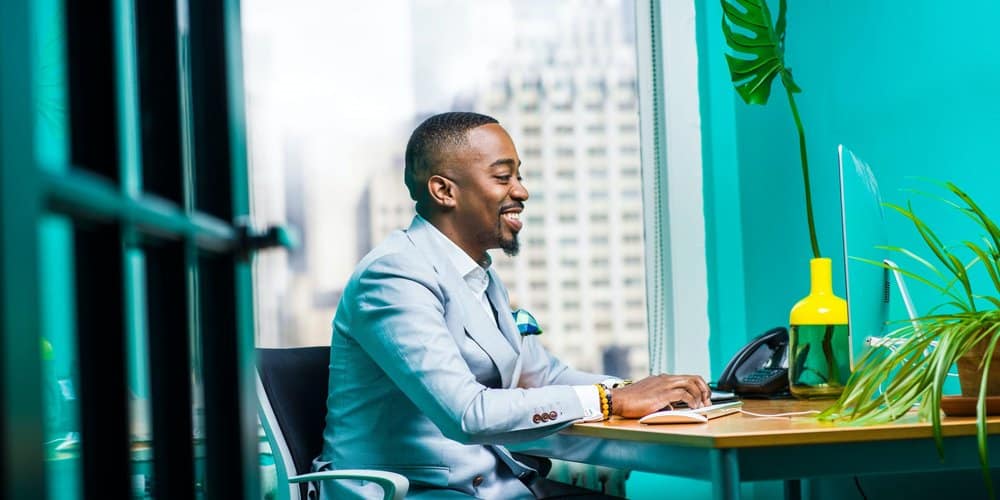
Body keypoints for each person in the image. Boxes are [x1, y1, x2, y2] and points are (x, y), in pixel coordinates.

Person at [312, 112, 711, 499]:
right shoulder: (394, 276)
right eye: (503, 177)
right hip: (415, 492)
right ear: (444, 191)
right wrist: (610, 402)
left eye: (518, 176)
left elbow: (543, 375)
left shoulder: (477, 276)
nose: (521, 191)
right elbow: (468, 414)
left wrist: (639, 391)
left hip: (488, 487)